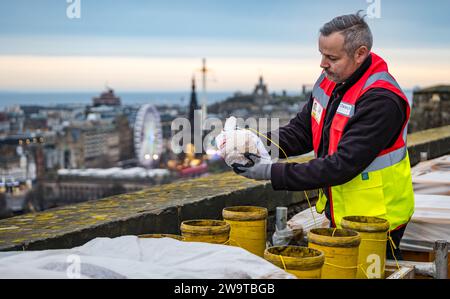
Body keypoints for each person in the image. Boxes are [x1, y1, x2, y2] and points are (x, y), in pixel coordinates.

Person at [232, 12, 414, 260]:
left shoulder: (381, 100)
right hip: (341, 213)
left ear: (360, 54)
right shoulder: (331, 80)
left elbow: (341, 165)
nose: (322, 64)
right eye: (321, 54)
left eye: (331, 57)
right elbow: (302, 131)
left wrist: (269, 172)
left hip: (379, 221)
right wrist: (255, 142)